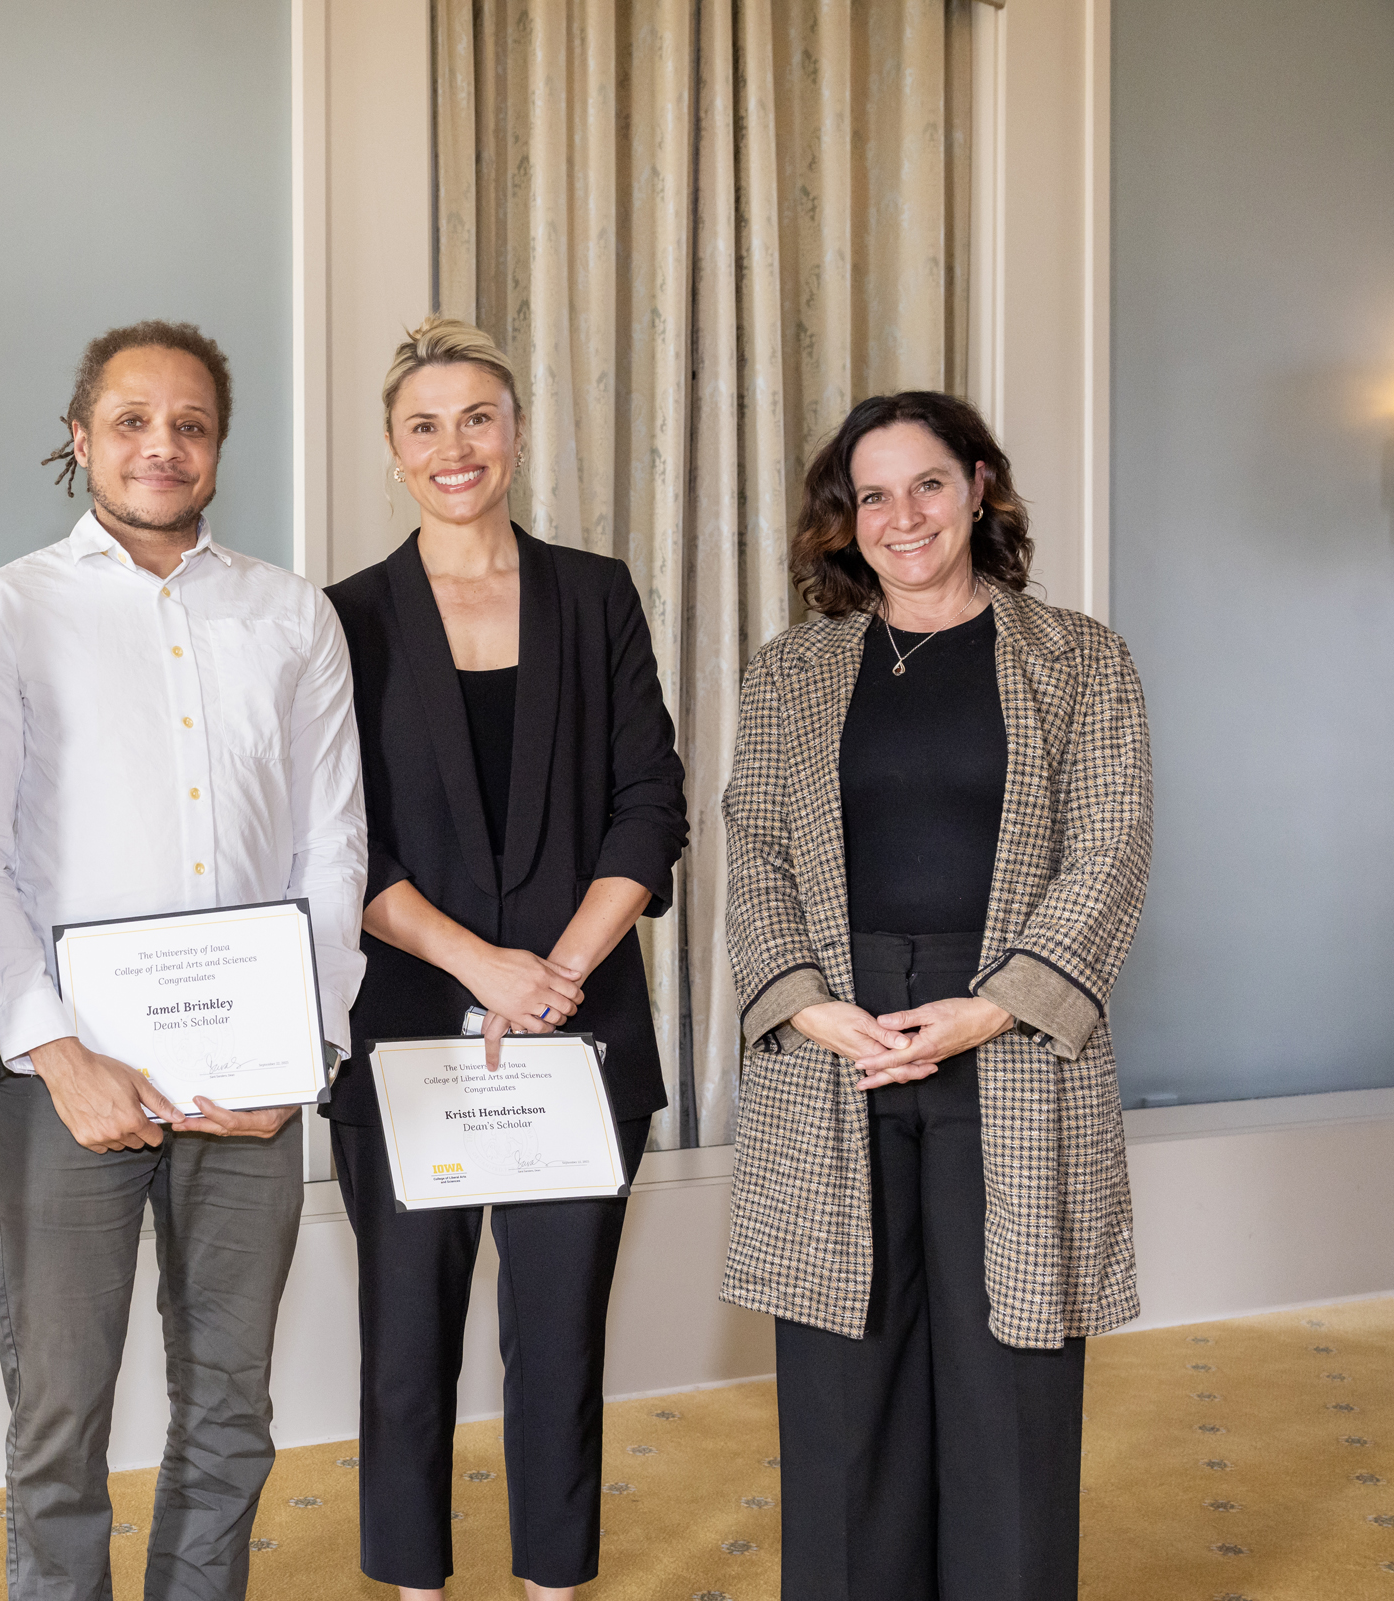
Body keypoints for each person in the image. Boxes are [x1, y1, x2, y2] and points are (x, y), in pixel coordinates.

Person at [0, 320, 366, 1601]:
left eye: (189, 424)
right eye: (130, 420)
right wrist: (56, 1050)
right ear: (80, 438)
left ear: (219, 447)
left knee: (232, 1402)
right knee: (57, 1410)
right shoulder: (9, 610)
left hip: (255, 1080)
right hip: (71, 1076)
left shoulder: (293, 616)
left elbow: (333, 847)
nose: (161, 446)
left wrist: (309, 1047)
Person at [720, 391, 1153, 1600]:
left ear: (977, 488)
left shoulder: (1082, 658)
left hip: (1010, 1037)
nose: (900, 516)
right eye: (871, 494)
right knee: (840, 1382)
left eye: (926, 484)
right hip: (835, 1039)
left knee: (1007, 1375)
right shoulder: (790, 673)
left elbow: (1110, 846)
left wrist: (991, 1003)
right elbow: (752, 844)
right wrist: (807, 1001)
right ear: (841, 520)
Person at [319, 317, 687, 1599]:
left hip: (579, 1027)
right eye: (426, 424)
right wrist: (487, 966)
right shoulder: (345, 619)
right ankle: (413, 1585)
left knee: (560, 1332)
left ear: (518, 432)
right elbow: (337, 843)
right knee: (405, 1338)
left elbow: (652, 801)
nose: (455, 446)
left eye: (479, 416)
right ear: (392, 449)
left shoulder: (597, 593)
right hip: (410, 1027)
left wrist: (558, 974)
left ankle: (551, 1583)